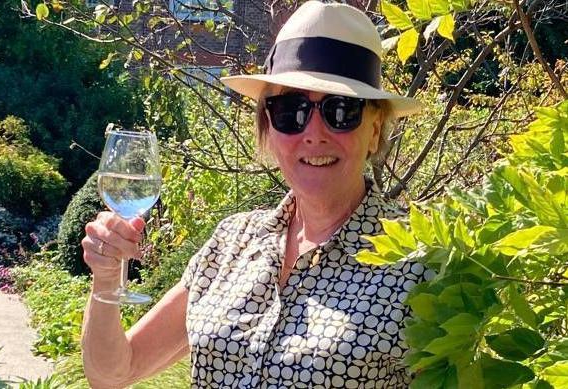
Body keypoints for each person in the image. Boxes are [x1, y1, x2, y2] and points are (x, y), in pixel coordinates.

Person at [80, 2, 432, 388]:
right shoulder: (231, 243)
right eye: (291, 110)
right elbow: (114, 372)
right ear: (268, 126)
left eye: (341, 110)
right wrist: (108, 277)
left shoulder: (420, 262)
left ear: (376, 129)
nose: (313, 133)